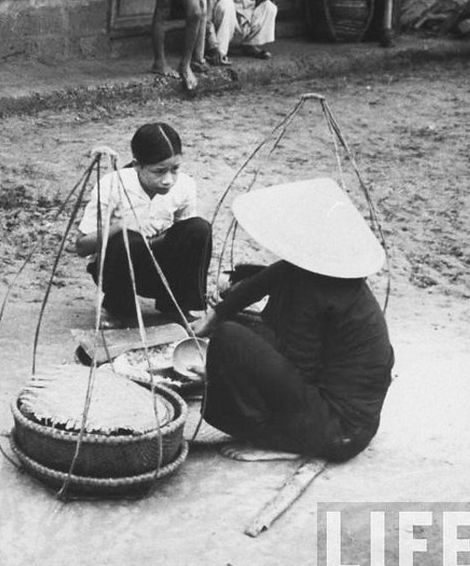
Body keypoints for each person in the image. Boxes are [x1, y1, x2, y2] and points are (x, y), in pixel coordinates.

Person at [192, 178, 394, 462]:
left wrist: (217, 373)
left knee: (230, 339)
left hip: (337, 429)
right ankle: (285, 433)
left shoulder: (314, 291)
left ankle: (282, 441)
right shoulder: (323, 271)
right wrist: (217, 313)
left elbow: (301, 367)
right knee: (240, 331)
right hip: (356, 422)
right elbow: (267, 279)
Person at [74, 122, 212, 327]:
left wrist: (160, 237)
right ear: (137, 165)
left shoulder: (185, 186)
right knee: (128, 239)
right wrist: (122, 224)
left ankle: (176, 305)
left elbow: (186, 238)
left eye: (175, 169)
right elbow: (82, 246)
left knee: (200, 228)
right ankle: (120, 311)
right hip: (117, 270)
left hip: (162, 270)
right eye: (159, 171)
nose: (168, 180)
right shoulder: (113, 185)